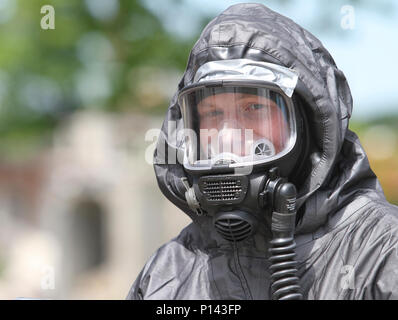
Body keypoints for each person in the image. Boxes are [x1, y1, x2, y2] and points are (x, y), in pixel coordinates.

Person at [127, 3, 398, 300]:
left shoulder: (382, 254)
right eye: (213, 115)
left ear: (309, 125)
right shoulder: (166, 275)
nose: (228, 138)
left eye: (254, 108)